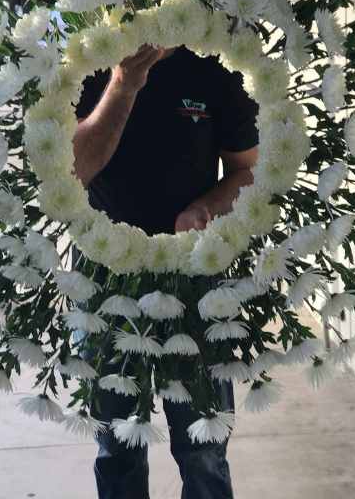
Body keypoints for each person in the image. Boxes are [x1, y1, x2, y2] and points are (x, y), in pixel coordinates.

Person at [72, 44, 259, 499]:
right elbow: (72, 170)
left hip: (195, 274)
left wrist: (207, 207)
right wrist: (122, 85)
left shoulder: (215, 67)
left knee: (204, 449)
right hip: (105, 278)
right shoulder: (85, 64)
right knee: (116, 446)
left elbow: (247, 171)